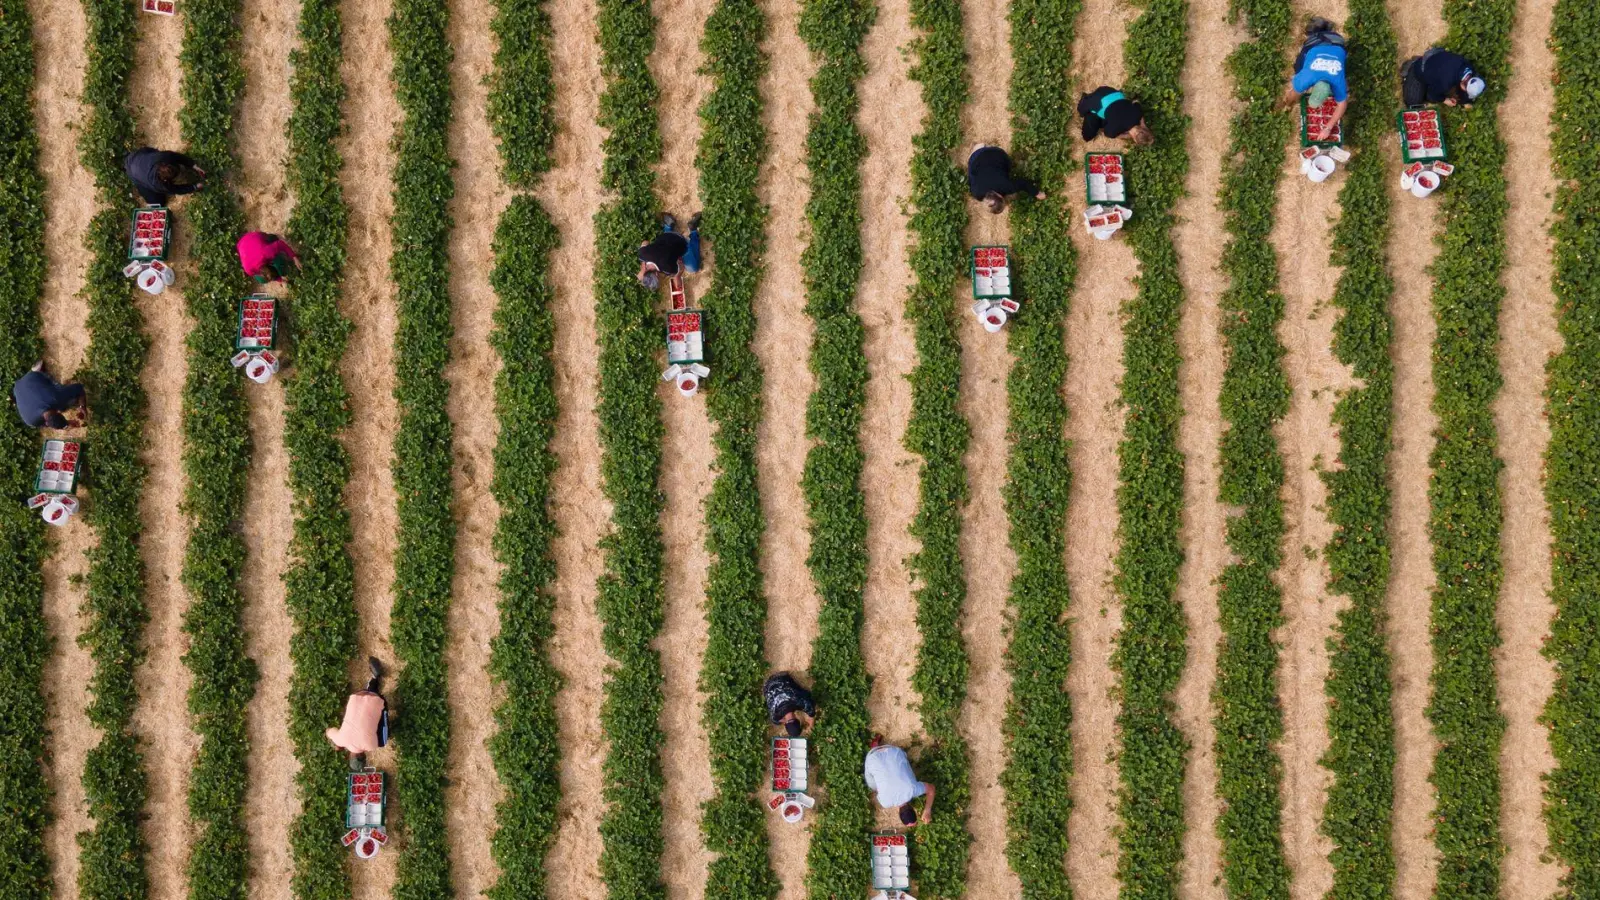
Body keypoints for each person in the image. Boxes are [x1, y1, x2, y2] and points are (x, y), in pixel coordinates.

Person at [1278, 17, 1349, 142]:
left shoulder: (1337, 82)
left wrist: (1327, 128)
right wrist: (1288, 103)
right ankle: (1320, 29)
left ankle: (1321, 29)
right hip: (1326, 41)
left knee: (1299, 68)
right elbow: (1292, 94)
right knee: (1299, 67)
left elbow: (1342, 105)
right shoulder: (1309, 78)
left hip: (1332, 41)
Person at [326, 657, 390, 767]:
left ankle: (376, 684)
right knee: (367, 695)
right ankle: (374, 679)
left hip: (377, 701)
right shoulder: (340, 740)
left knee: (382, 739)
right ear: (350, 757)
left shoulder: (373, 745)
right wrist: (337, 744)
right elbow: (328, 731)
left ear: (365, 756)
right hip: (356, 697)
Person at [863, 734, 935, 827]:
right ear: (899, 814)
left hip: (894, 750)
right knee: (873, 786)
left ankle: (878, 748)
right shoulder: (885, 803)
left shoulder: (913, 789)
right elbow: (879, 791)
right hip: (872, 756)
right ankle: (875, 746)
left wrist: (927, 810)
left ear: (913, 809)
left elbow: (931, 789)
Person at [965, 145, 1045, 214]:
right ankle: (978, 148)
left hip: (996, 154)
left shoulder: (1006, 186)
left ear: (1000, 195)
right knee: (972, 163)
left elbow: (1024, 183)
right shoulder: (976, 193)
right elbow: (971, 176)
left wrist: (1037, 193)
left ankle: (981, 148)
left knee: (1007, 166)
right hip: (979, 158)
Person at [1401, 47, 1485, 108]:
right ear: (1463, 85)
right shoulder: (1446, 82)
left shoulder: (1468, 67)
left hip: (1436, 58)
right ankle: (1411, 67)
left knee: (1436, 81)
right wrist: (1445, 100)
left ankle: (1427, 64)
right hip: (1420, 70)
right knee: (1412, 103)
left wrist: (1465, 100)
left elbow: (1462, 86)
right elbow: (1433, 95)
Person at [636, 212, 702, 290]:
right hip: (666, 236)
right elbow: (645, 242)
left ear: (657, 275)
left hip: (681, 241)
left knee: (693, 268)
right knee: (665, 245)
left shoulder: (667, 269)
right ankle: (668, 225)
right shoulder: (642, 255)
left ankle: (693, 231)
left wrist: (677, 276)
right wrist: (642, 267)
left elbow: (681, 266)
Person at [12, 362, 86, 430]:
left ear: (58, 412)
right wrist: (66, 424)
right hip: (17, 388)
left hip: (33, 376)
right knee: (63, 405)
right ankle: (38, 373)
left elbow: (79, 388)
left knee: (65, 399)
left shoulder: (56, 398)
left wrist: (82, 407)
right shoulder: (30, 421)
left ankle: (40, 371)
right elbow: (44, 424)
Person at [123, 147, 206, 206]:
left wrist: (193, 165)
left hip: (136, 156)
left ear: (166, 163)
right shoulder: (157, 184)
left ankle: (127, 156)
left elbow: (177, 157)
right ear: (165, 181)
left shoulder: (164, 157)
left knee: (153, 153)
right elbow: (176, 189)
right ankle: (125, 163)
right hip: (132, 172)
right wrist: (194, 187)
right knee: (159, 203)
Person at [1077, 86, 1155, 146]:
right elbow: (1107, 133)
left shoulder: (1138, 113)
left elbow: (1136, 101)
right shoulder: (1115, 129)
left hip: (1109, 91)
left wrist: (1142, 121)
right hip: (1099, 101)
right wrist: (1126, 136)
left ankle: (1089, 101)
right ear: (1134, 139)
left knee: (1108, 116)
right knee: (1087, 136)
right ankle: (1084, 100)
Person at [763, 672, 817, 737]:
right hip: (769, 685)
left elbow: (811, 711)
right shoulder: (775, 716)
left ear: (797, 720)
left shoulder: (799, 702)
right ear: (785, 724)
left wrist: (811, 725)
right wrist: (786, 721)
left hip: (782, 678)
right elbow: (776, 721)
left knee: (806, 695)